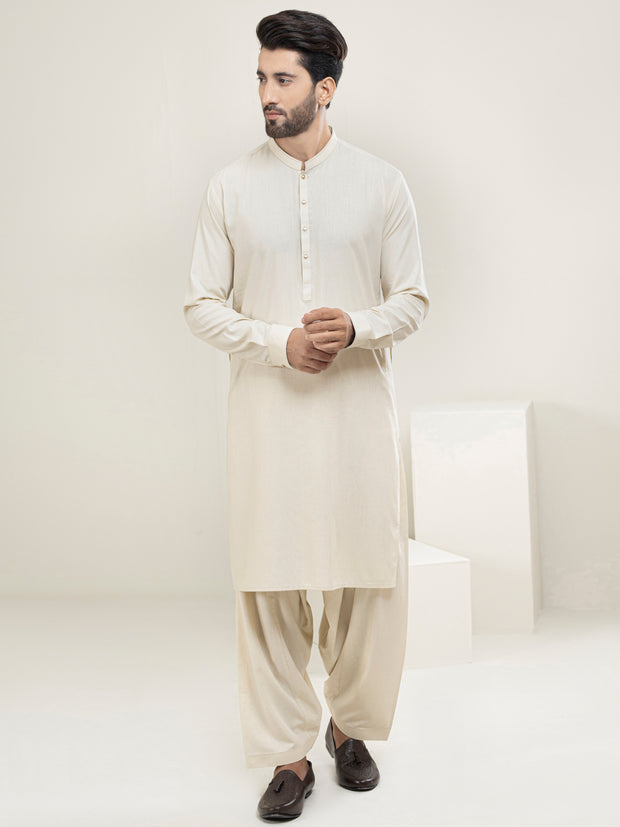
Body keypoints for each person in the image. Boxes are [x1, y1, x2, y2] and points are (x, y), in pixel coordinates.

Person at [184, 9, 430, 821]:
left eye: (283, 79)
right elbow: (200, 304)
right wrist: (277, 342)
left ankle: (349, 727)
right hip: (266, 420)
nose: (267, 93)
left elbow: (413, 298)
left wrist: (355, 328)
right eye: (261, 77)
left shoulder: (382, 183)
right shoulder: (229, 186)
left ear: (325, 89)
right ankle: (287, 753)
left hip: (357, 418)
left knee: (368, 580)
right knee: (268, 584)